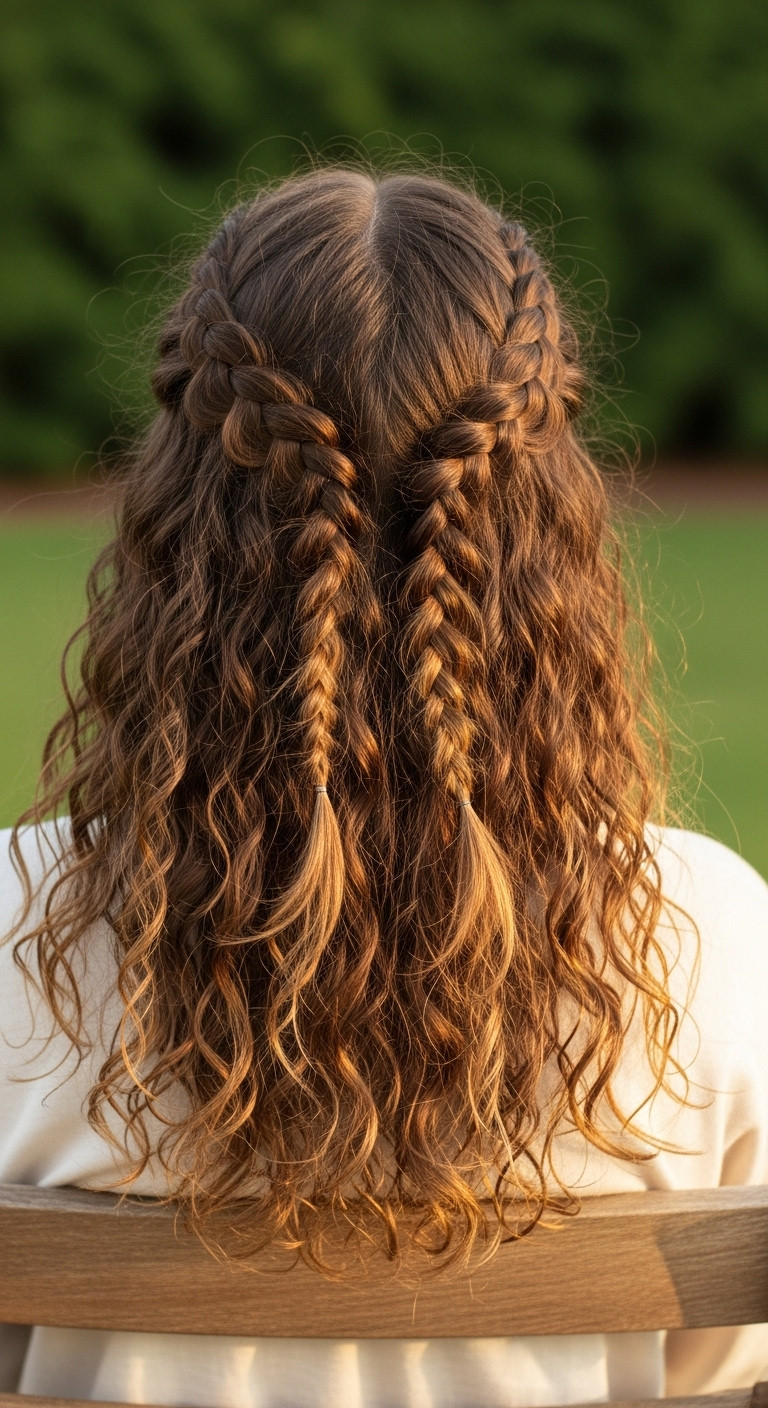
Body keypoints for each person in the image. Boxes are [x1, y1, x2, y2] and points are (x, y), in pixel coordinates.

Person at [1, 166, 767, 1407]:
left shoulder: (7, 929)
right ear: (550, 515)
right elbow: (723, 1369)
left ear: (178, 510)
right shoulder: (712, 941)